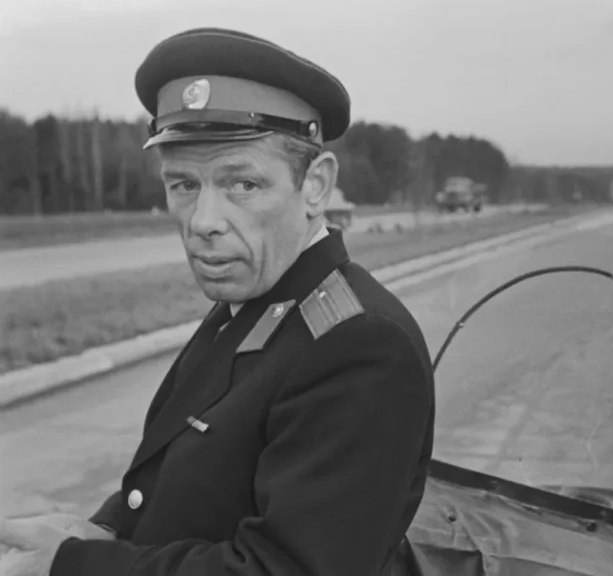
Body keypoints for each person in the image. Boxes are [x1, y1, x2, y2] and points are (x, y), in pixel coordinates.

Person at [0, 27, 435, 576]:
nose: (203, 222)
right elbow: (194, 483)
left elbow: (289, 568)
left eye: (242, 185)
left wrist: (76, 566)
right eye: (184, 185)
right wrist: (102, 530)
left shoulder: (360, 345)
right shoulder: (258, 298)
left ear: (316, 185)